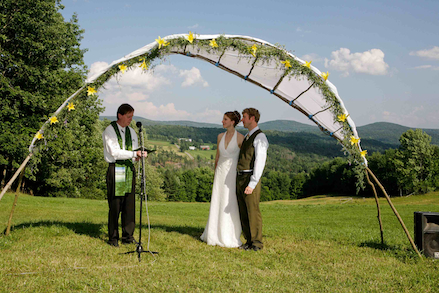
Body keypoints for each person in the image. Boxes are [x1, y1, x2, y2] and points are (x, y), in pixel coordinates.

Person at [102, 103, 147, 247]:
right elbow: (114, 152)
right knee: (116, 205)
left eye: (132, 117)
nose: (130, 120)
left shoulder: (132, 132)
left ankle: (128, 236)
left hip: (128, 170)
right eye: (128, 117)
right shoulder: (109, 131)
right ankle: (113, 237)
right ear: (120, 115)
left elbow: (133, 152)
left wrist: (137, 156)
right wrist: (134, 153)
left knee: (129, 205)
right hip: (116, 169)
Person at [201, 111, 245, 247]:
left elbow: (244, 159)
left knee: (229, 201)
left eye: (225, 119)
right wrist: (215, 172)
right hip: (220, 173)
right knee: (217, 200)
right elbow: (217, 156)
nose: (222, 121)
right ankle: (213, 233)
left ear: (232, 122)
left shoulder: (240, 138)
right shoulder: (220, 136)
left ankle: (229, 234)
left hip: (232, 174)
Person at [236, 108, 269, 251]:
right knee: (243, 211)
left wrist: (253, 183)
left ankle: (256, 243)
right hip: (241, 176)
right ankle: (249, 241)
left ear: (252, 118)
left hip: (250, 177)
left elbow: (259, 162)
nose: (242, 120)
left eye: (244, 117)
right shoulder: (248, 136)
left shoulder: (259, 137)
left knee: (252, 211)